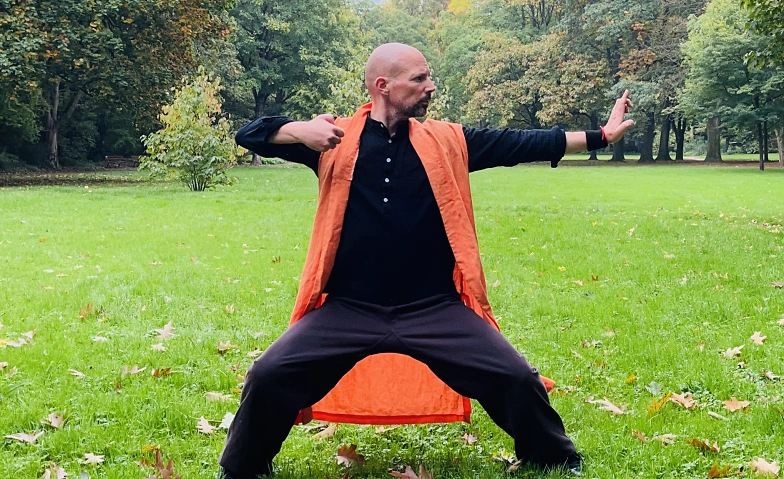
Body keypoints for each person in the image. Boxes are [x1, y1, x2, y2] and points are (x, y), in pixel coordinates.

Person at [219, 43, 633, 479]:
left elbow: (519, 143)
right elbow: (249, 134)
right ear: (383, 85)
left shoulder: (447, 141)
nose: (430, 86)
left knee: (515, 377)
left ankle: (554, 457)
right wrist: (300, 131)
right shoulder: (333, 139)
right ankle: (242, 467)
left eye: (428, 77)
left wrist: (601, 137)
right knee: (268, 374)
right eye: (419, 79)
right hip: (349, 308)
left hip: (433, 308)